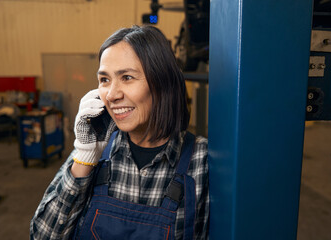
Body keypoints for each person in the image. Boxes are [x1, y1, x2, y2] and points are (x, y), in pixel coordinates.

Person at [30, 25, 209, 240]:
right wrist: (85, 158)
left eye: (127, 77)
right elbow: (43, 236)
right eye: (104, 80)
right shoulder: (96, 151)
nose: (112, 95)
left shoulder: (201, 160)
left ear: (162, 83)